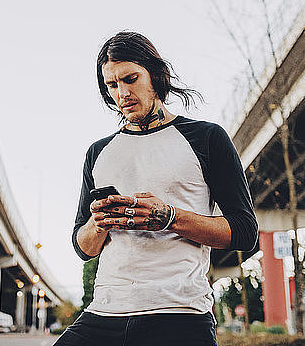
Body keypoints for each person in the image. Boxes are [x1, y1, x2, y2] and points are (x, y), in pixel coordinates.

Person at [53, 32, 258, 346]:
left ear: (156, 75)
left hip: (180, 313)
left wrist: (169, 217)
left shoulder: (207, 137)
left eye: (130, 79)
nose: (122, 93)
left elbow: (244, 231)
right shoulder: (99, 152)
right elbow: (83, 248)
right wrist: (99, 223)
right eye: (112, 85)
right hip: (106, 311)